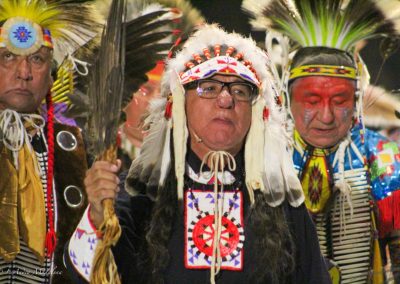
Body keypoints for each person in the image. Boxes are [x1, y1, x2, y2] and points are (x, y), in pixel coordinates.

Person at [66, 24, 330, 283]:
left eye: (240, 91)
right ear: (177, 105)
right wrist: (99, 218)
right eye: (209, 88)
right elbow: (85, 276)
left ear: (257, 112)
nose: (226, 101)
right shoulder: (138, 196)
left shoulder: (282, 203)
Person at [243, 0, 400, 282]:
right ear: (288, 98)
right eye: (312, 101)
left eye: (339, 100)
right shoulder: (263, 157)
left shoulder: (380, 157)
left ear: (356, 101)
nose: (326, 116)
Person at [0, 1, 99, 283]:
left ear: (51, 76)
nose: (24, 72)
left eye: (37, 59)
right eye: (8, 56)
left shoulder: (74, 148)